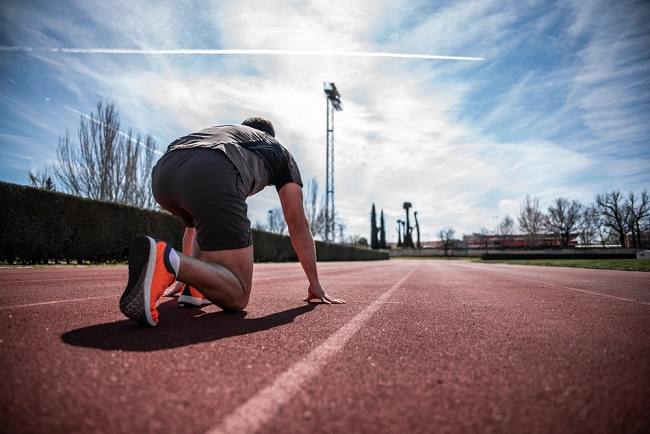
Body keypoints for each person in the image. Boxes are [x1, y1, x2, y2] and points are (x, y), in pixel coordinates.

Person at [119, 117, 344, 327]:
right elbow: (297, 223)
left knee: (200, 220)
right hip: (215, 166)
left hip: (163, 173)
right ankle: (167, 259)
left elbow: (193, 228)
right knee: (238, 294)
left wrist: (185, 276)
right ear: (270, 136)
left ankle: (194, 288)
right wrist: (315, 283)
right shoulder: (279, 151)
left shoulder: (224, 131)